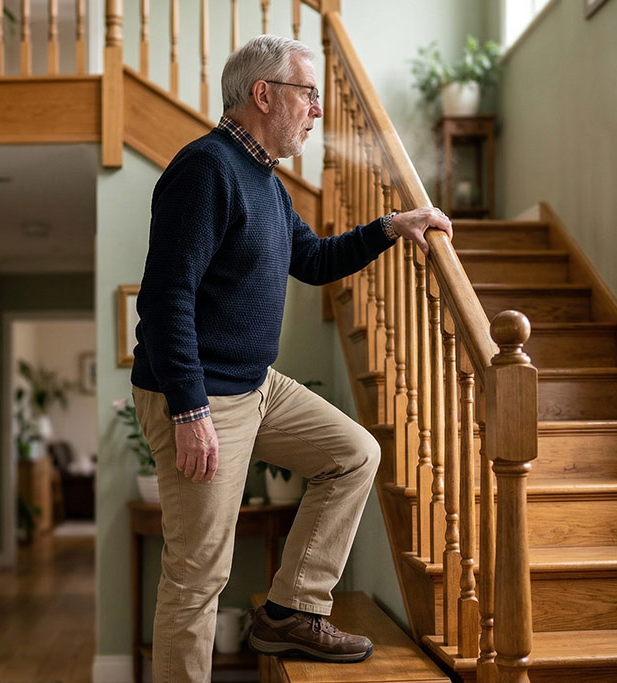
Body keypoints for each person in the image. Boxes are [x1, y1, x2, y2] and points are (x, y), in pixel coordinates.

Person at [130, 34, 453, 683]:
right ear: (263, 94)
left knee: (353, 453)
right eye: (308, 95)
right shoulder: (206, 169)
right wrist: (190, 407)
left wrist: (392, 225)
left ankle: (290, 608)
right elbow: (165, 298)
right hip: (201, 395)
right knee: (196, 579)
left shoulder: (267, 185)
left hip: (255, 386)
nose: (317, 111)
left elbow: (313, 260)